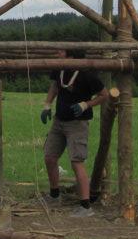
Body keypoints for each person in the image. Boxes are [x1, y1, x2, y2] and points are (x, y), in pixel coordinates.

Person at [41, 58, 108, 217]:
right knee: (50, 157)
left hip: (78, 123)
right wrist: (47, 105)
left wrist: (86, 104)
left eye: (61, 51)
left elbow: (104, 94)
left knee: (77, 161)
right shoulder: (60, 68)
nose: (57, 53)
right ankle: (55, 195)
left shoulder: (87, 73)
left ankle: (85, 206)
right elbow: (55, 86)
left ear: (71, 55)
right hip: (59, 121)